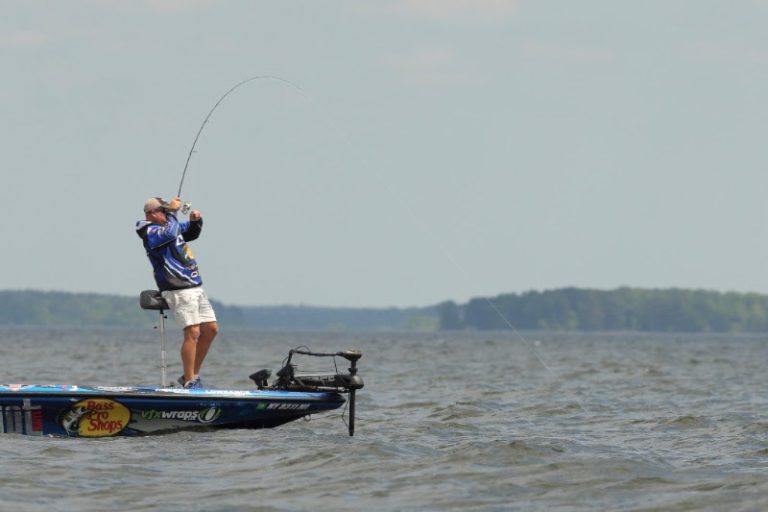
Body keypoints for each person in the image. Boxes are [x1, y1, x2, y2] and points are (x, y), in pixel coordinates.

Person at [135, 196, 218, 389]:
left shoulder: (169, 225)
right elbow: (170, 233)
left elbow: (188, 232)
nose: (166, 213)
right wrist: (172, 211)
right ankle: (190, 381)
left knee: (211, 329)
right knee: (193, 332)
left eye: (166, 211)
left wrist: (196, 221)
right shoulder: (148, 230)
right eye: (163, 210)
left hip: (195, 286)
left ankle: (190, 375)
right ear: (152, 213)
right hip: (177, 288)